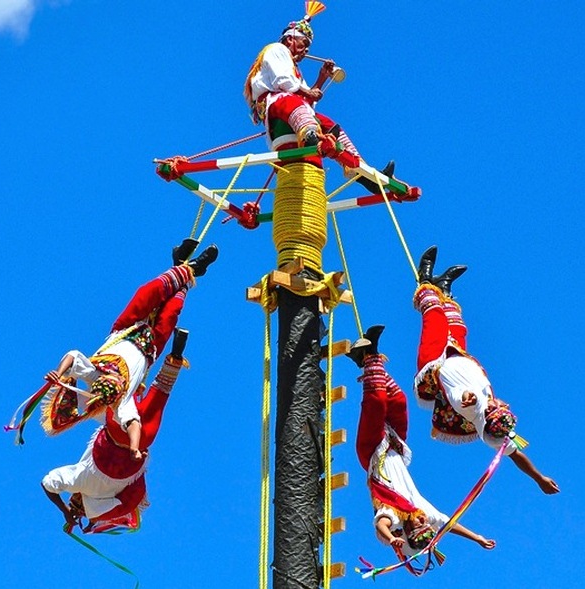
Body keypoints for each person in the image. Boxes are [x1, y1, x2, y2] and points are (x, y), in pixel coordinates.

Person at [42, 240, 218, 461]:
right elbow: (134, 423)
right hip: (150, 348)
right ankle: (186, 266)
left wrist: (58, 374)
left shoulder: (93, 373)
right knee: (171, 310)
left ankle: (187, 266)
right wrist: (134, 447)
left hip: (126, 329)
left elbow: (73, 355)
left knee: (149, 292)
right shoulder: (120, 403)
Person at [413, 246, 559, 495]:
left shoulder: (472, 407)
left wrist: (467, 398)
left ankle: (425, 277)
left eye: (497, 407)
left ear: (490, 413)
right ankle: (445, 287)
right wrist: (539, 478)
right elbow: (516, 456)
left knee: (434, 315)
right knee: (457, 325)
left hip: (435, 362)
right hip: (459, 354)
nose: (499, 403)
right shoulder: (495, 425)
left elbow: (462, 398)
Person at [348, 325, 496, 560]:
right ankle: (369, 355)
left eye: (419, 525)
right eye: (426, 525)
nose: (423, 520)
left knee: (376, 402)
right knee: (398, 400)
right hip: (394, 443)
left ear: (408, 530)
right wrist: (476, 537)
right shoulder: (421, 508)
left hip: (372, 451)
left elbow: (381, 526)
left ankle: (368, 359)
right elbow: (447, 523)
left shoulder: (394, 514)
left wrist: (392, 538)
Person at [41, 328, 190, 532]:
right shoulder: (79, 481)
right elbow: (47, 484)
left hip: (142, 442)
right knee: (123, 398)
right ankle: (141, 376)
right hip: (117, 433)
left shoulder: (98, 504)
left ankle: (175, 356)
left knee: (160, 393)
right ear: (77, 497)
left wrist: (139, 462)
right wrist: (65, 510)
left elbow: (134, 496)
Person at [243, 3, 395, 191]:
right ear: (290, 39)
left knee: (326, 122)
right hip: (275, 105)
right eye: (304, 43)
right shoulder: (276, 49)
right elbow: (284, 82)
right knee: (291, 102)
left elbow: (307, 100)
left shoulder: (294, 69)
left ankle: (363, 172)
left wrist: (322, 78)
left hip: (289, 107)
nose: (306, 50)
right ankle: (311, 136)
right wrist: (308, 92)